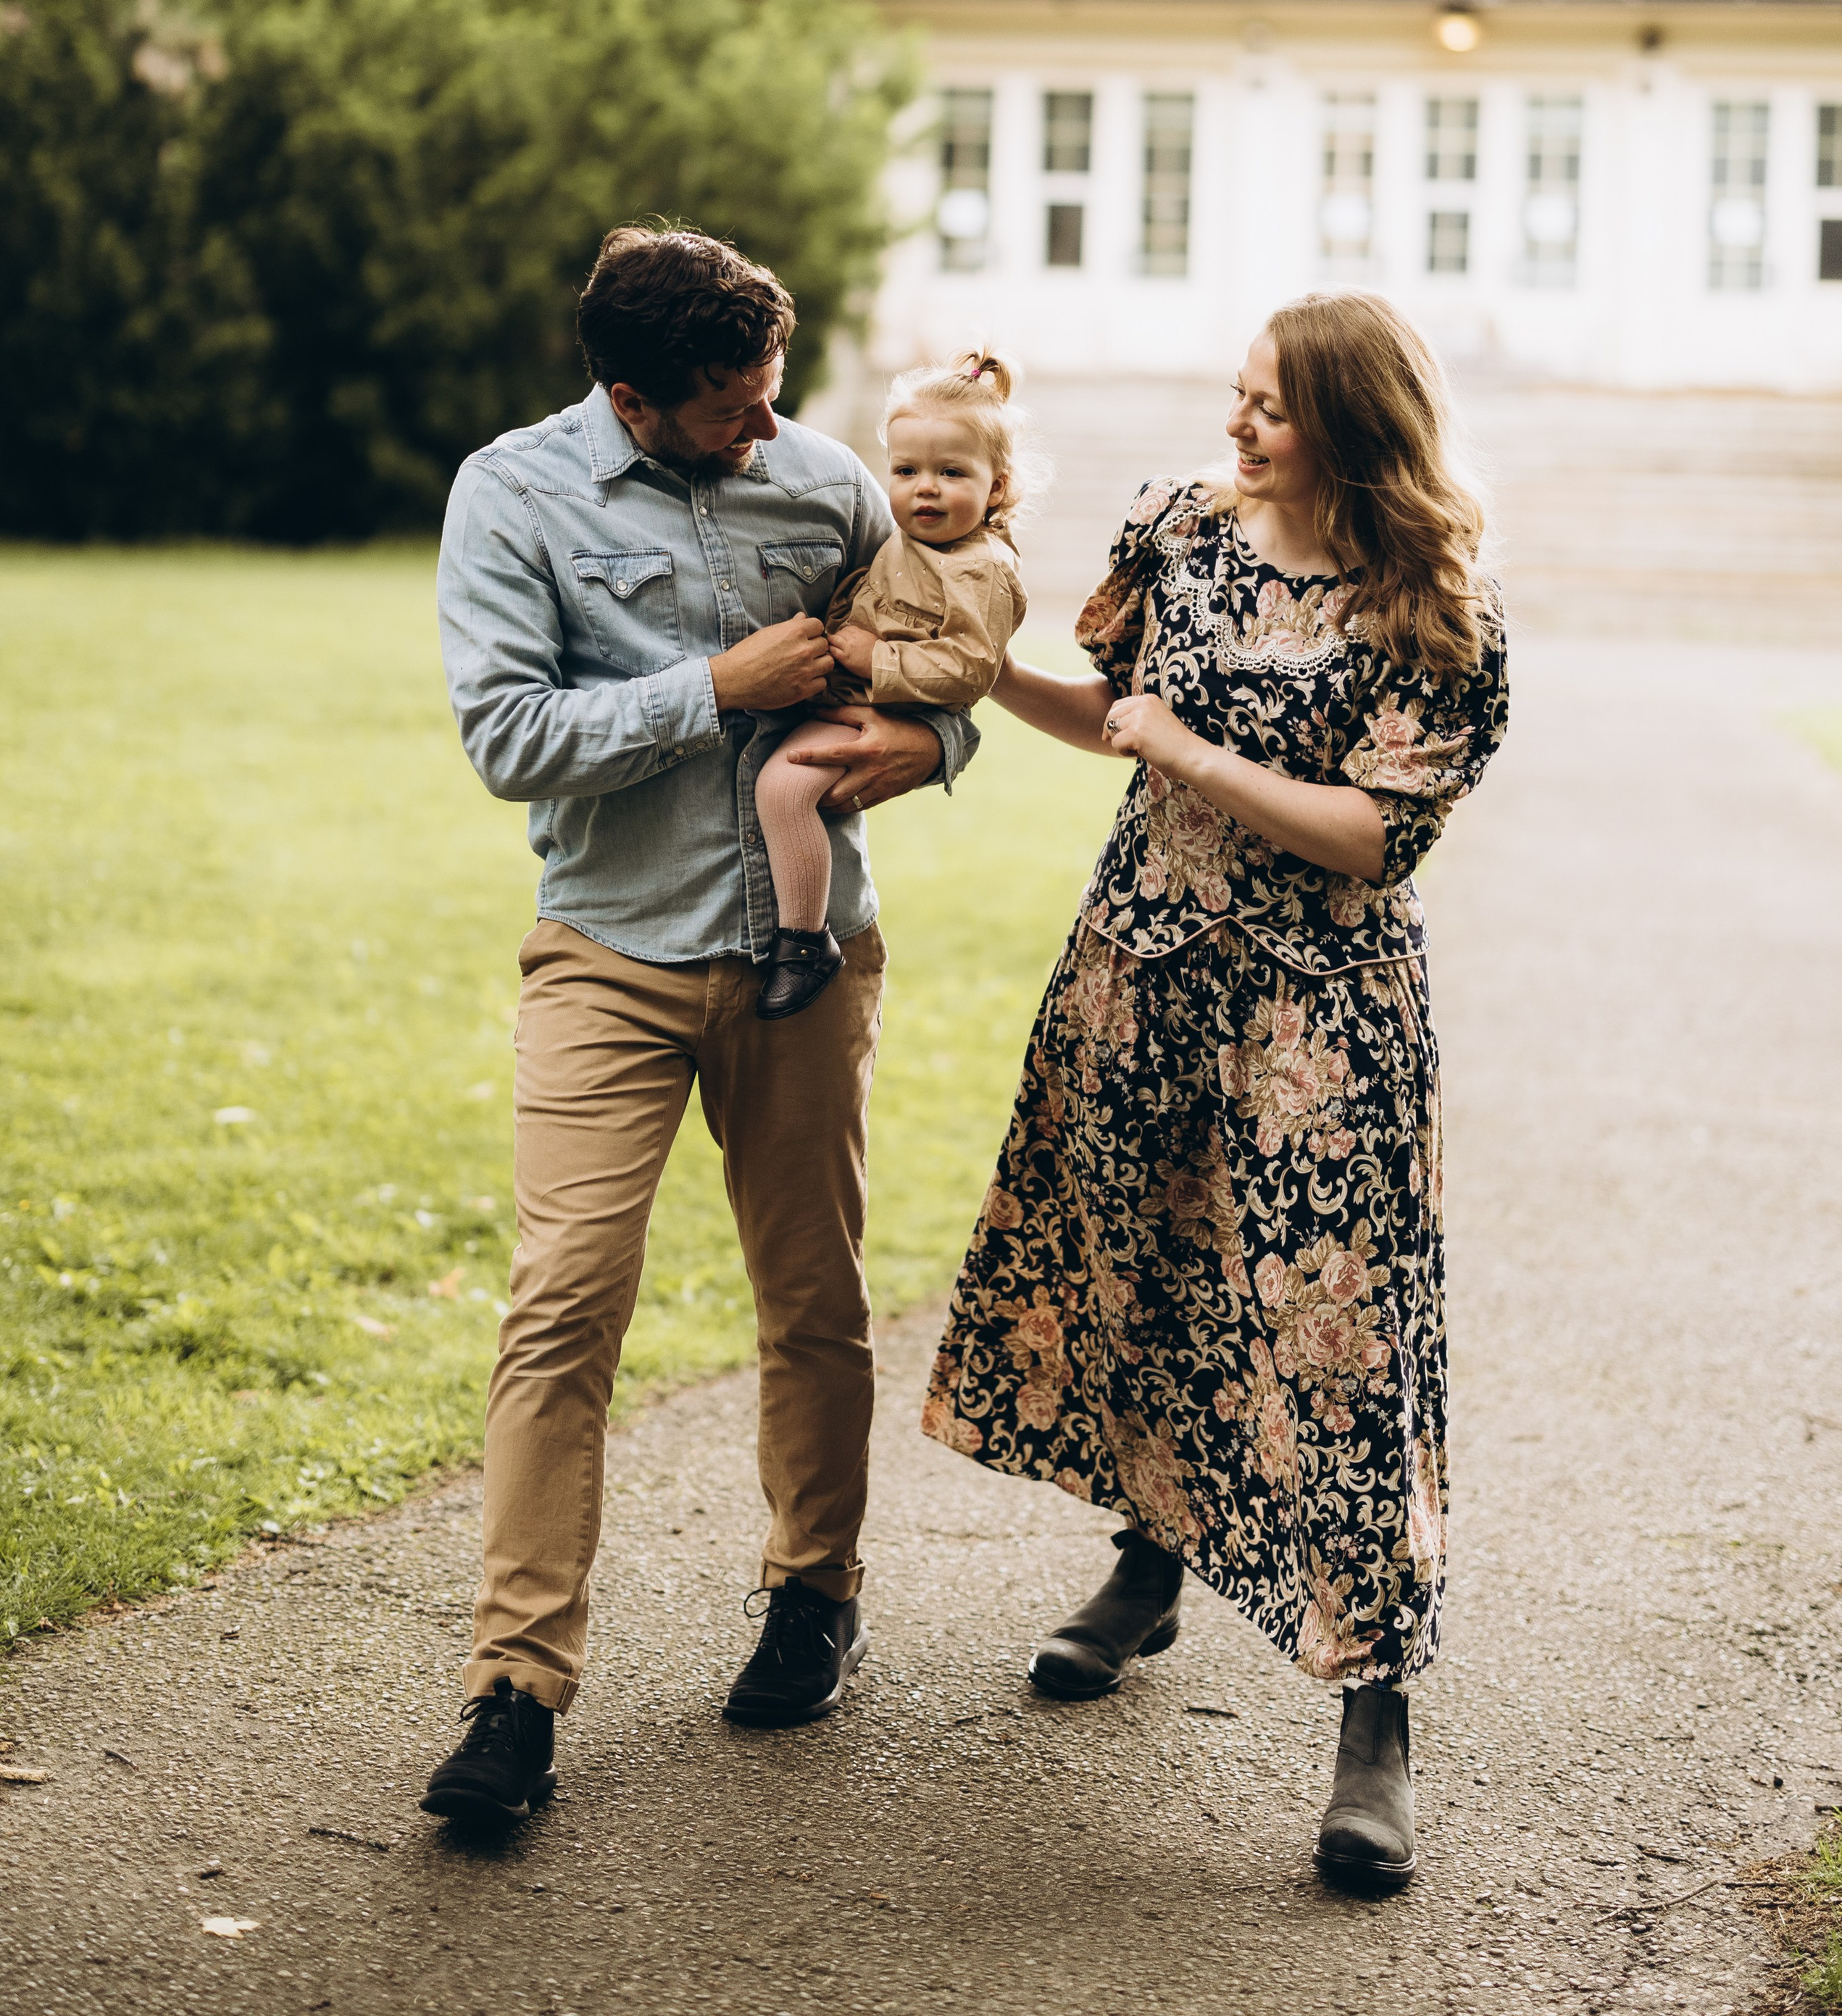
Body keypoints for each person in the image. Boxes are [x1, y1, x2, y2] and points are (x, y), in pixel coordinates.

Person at [923, 291, 1508, 1891]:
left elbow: (1373, 836)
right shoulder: (1179, 530)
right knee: (1150, 1278)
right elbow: (1111, 714)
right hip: (1139, 971)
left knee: (1342, 1344)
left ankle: (1374, 1714)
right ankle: (1146, 1567)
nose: (1236, 424)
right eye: (1235, 394)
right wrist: (980, 672)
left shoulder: (1430, 598)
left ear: (1353, 425)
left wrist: (1190, 755)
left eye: (1270, 405)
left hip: (1319, 1013)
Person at [421, 225, 978, 1825]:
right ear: (631, 396)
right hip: (609, 955)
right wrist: (718, 688)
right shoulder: (512, 494)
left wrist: (930, 750)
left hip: (810, 958)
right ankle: (515, 1689)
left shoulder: (829, 485)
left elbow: (947, 666)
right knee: (562, 1305)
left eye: (773, 388)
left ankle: (814, 1590)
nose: (770, 424)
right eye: (735, 404)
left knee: (815, 1296)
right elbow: (507, 737)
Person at [753, 351, 1029, 1019]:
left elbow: (974, 666)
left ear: (996, 487)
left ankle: (804, 941)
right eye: (906, 471)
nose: (924, 489)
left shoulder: (983, 569)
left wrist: (880, 658)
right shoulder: (913, 539)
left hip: (884, 706)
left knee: (783, 789)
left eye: (951, 472)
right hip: (850, 690)